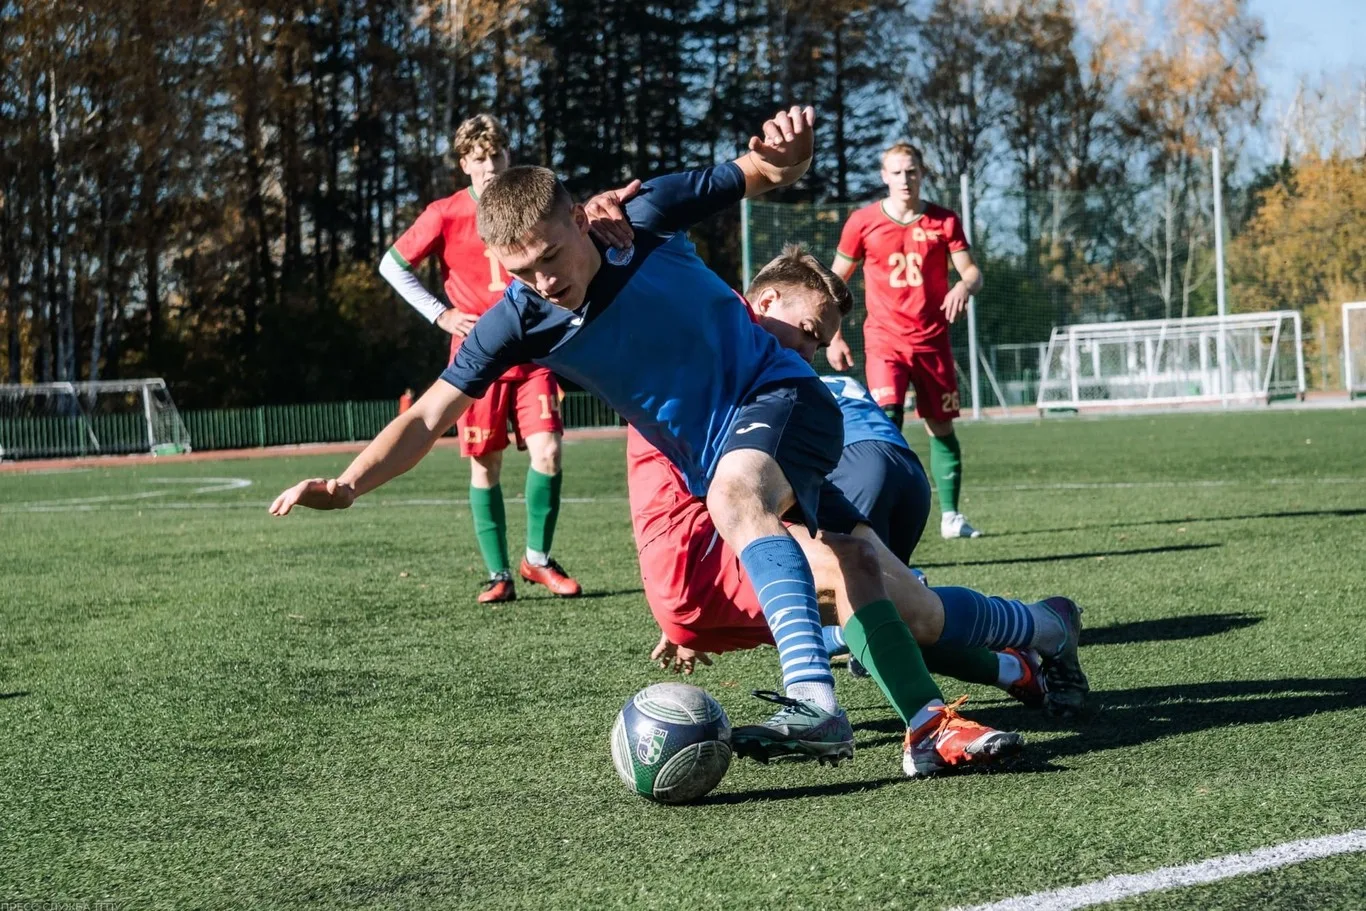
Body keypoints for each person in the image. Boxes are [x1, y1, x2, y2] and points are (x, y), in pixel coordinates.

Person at [272, 106, 1052, 780]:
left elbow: (765, 169)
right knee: (872, 577)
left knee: (739, 495)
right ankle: (1018, 650)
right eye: (522, 272)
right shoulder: (519, 316)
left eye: (551, 257)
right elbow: (428, 415)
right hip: (724, 450)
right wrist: (346, 485)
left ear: (580, 217)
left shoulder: (640, 214)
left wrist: (792, 149)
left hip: (779, 396)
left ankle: (816, 703)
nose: (543, 282)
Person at [625, 254, 1087, 758]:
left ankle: (1046, 627)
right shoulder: (726, 321)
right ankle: (837, 707)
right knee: (847, 569)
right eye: (806, 331)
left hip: (730, 538)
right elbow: (669, 248)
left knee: (916, 609)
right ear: (765, 301)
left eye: (819, 344)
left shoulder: (772, 388)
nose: (808, 353)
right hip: (694, 553)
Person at [378, 115, 579, 603]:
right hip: (478, 356)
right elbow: (392, 264)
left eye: (498, 155)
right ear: (464, 162)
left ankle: (537, 560)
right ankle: (498, 574)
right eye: (480, 157)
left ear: (509, 156)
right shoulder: (444, 213)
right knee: (485, 465)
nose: (490, 166)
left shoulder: (531, 202)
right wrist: (440, 314)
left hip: (534, 351)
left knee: (548, 452)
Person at [827, 142, 986, 540]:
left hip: (933, 343)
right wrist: (833, 336)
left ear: (921, 173)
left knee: (941, 427)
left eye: (911, 171)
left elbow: (973, 273)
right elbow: (832, 285)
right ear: (884, 177)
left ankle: (951, 517)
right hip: (885, 342)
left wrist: (964, 287)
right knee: (886, 420)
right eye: (896, 172)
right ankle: (879, 519)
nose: (904, 179)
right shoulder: (861, 222)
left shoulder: (944, 221)